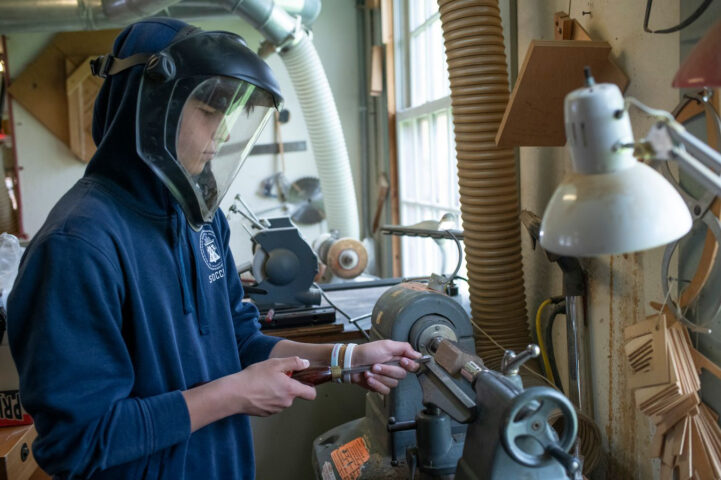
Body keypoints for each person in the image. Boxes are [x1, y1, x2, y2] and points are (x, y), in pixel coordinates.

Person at [7, 18, 420, 479]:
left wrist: (343, 360)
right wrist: (233, 395)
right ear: (151, 106)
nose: (221, 135)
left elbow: (238, 340)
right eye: (208, 111)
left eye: (227, 116)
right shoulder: (76, 246)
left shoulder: (201, 219)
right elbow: (76, 441)